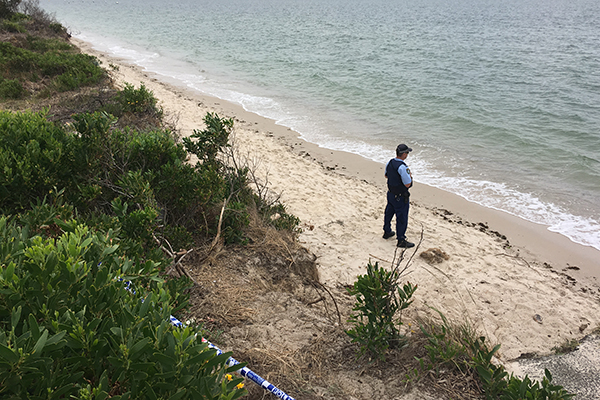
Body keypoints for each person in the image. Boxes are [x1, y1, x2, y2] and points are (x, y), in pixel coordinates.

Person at [383, 143, 415, 248]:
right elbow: (407, 184)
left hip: (391, 193)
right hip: (400, 196)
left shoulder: (390, 162)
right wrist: (410, 176)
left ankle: (387, 231)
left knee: (388, 213)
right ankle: (401, 239)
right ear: (404, 154)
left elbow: (386, 175)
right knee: (401, 218)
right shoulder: (402, 167)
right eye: (407, 152)